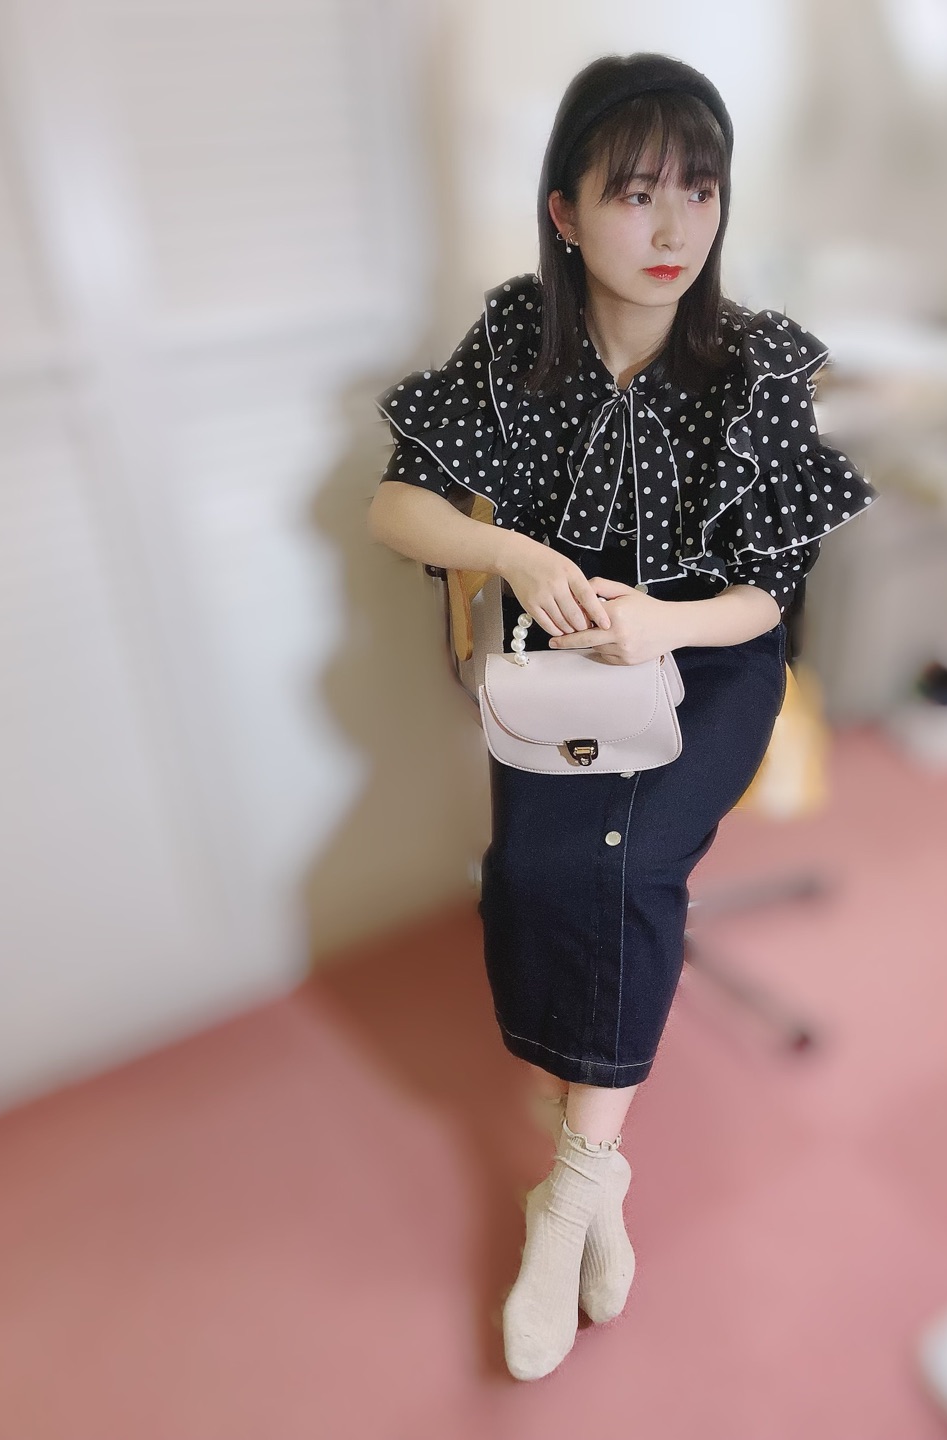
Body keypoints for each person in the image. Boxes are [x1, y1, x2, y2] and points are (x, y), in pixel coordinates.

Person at [366, 52, 877, 1381]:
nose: (673, 229)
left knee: (628, 864)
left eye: (700, 192)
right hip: (565, 666)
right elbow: (397, 505)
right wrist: (513, 553)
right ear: (566, 210)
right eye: (636, 193)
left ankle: (570, 1197)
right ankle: (593, 1176)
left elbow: (768, 596)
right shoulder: (517, 341)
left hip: (710, 664)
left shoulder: (756, 361)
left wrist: (668, 625)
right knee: (529, 874)